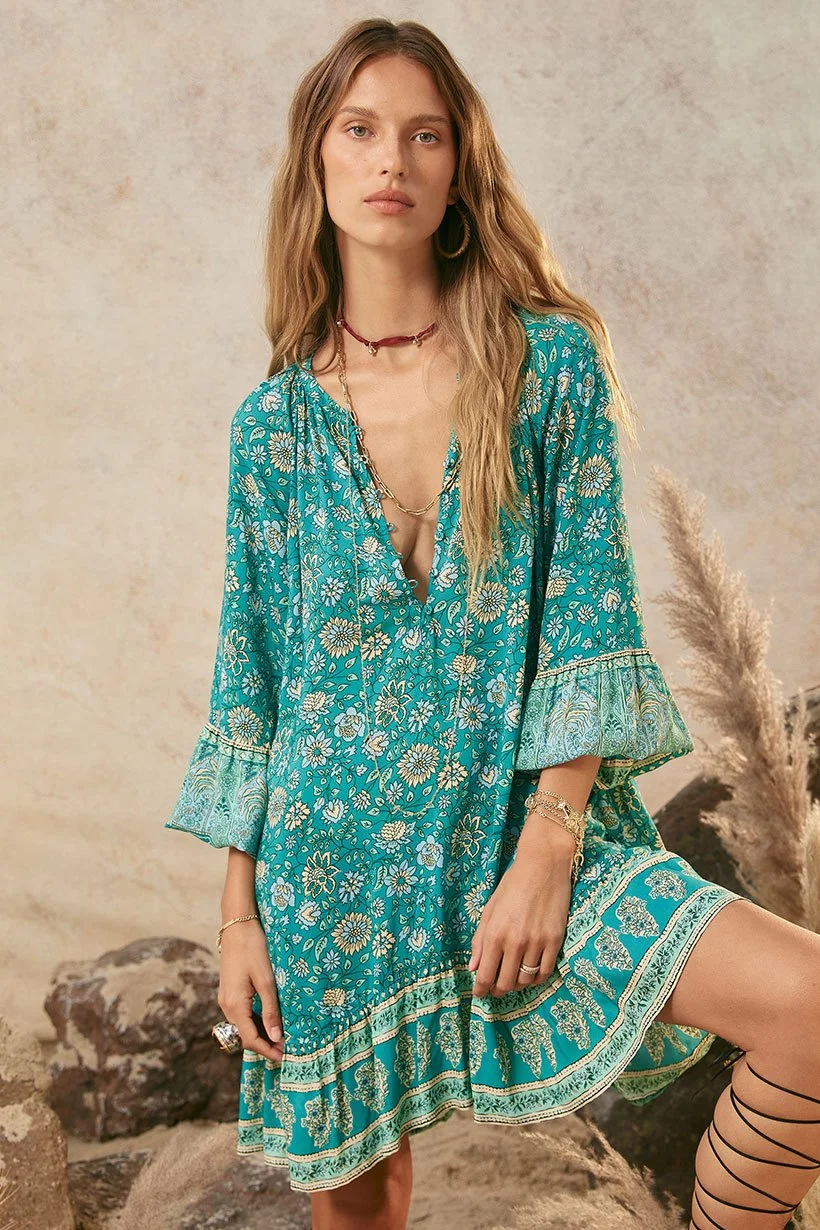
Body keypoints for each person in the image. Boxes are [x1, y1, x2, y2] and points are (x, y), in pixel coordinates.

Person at [165, 18, 820, 1230]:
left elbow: (586, 616)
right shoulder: (272, 426)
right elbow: (249, 679)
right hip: (327, 876)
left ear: (459, 167)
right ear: (316, 159)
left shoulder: (547, 368)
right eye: (360, 130)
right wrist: (238, 916)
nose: (391, 160)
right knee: (364, 1206)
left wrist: (550, 844)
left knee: (808, 1012)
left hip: (524, 836)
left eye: (424, 135)